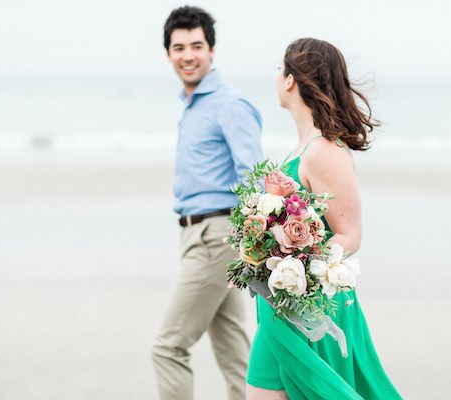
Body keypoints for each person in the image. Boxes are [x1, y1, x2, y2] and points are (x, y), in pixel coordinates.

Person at [245, 38, 402, 400]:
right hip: (281, 305)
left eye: (278, 71)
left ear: (289, 80)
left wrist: (297, 269)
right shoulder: (302, 148)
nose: (276, 78)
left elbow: (350, 234)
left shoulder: (324, 150)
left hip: (312, 307)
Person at [152, 6, 263, 400]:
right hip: (197, 233)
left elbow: (253, 175)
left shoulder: (229, 104)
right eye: (179, 47)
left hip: (217, 235)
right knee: (234, 350)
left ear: (211, 50)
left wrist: (248, 241)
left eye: (196, 45)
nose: (188, 55)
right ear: (168, 53)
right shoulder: (194, 104)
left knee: (168, 347)